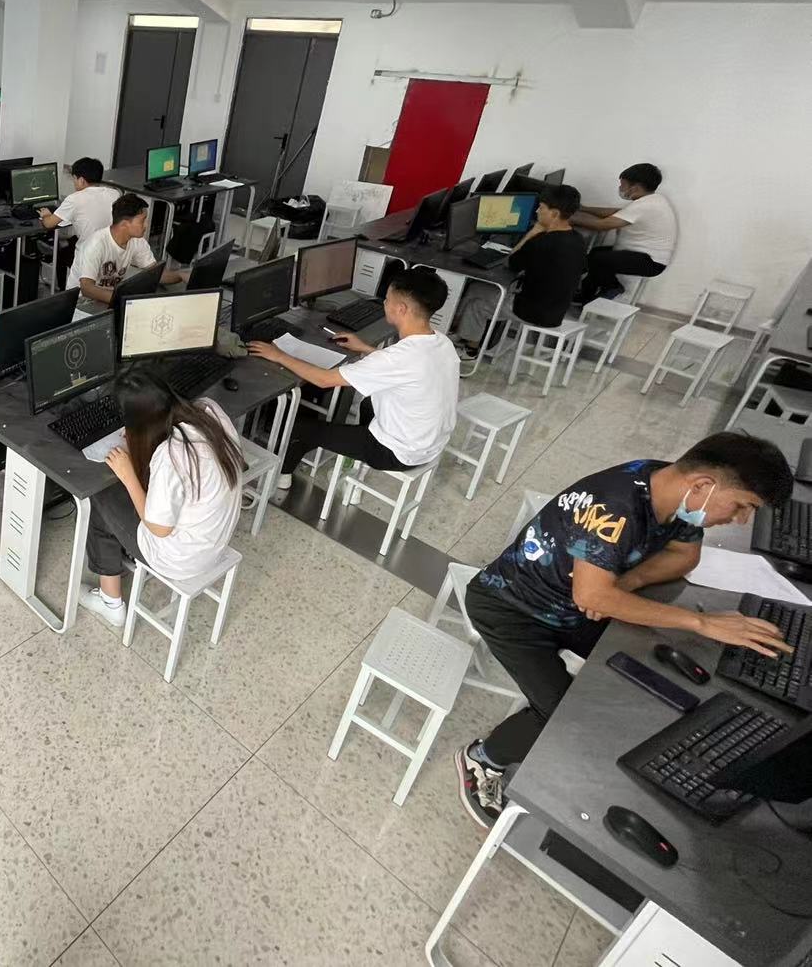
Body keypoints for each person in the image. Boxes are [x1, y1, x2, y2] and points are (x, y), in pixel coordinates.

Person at [456, 433, 793, 827]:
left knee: (648, 659)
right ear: (703, 484)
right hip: (511, 609)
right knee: (561, 712)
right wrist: (701, 621)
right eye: (742, 506)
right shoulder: (617, 507)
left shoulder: (671, 493)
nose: (741, 520)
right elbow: (593, 596)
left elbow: (685, 556)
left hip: (571, 606)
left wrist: (627, 583)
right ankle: (482, 758)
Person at [247, 267, 459, 493]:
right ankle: (350, 451)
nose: (384, 303)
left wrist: (278, 355)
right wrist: (365, 348)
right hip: (431, 442)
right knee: (368, 403)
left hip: (396, 452)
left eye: (387, 300)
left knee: (299, 429)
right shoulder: (441, 342)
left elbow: (324, 380)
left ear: (401, 309)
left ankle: (280, 480)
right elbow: (405, 368)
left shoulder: (395, 359)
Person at [79, 365, 249, 627]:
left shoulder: (171, 455)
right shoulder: (209, 410)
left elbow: (159, 529)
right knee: (129, 489)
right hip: (215, 540)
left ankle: (110, 601)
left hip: (179, 558)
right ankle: (119, 555)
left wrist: (128, 476)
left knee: (102, 494)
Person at [452, 184, 587, 356]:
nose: (537, 211)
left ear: (554, 214)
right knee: (477, 288)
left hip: (533, 311)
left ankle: (470, 348)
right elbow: (581, 270)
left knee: (476, 303)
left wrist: (535, 231)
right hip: (557, 309)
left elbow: (511, 262)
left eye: (541, 208)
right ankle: (458, 331)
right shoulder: (578, 239)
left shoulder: (542, 242)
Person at [572, 162, 677, 302]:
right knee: (595, 254)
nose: (620, 188)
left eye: (623, 184)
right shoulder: (654, 200)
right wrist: (583, 209)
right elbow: (616, 213)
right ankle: (584, 295)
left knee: (597, 259)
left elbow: (602, 225)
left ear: (636, 187)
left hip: (651, 263)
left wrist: (568, 217)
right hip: (644, 256)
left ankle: (612, 287)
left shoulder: (645, 205)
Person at [68, 193, 175, 315]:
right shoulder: (96, 244)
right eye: (142, 221)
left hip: (110, 298)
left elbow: (155, 273)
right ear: (124, 224)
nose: (146, 226)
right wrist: (125, 301)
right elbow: (87, 289)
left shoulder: (137, 241)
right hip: (81, 303)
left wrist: (181, 275)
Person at [38, 156, 120, 250]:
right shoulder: (114, 194)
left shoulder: (75, 199)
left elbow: (49, 224)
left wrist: (45, 215)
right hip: (111, 250)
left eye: (74, 179)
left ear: (81, 180)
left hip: (88, 253)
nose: (74, 182)